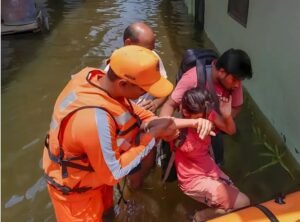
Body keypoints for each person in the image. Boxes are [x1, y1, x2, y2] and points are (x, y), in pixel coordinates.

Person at [42, 45, 214, 221]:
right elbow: (112, 174)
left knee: (108, 216)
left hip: (96, 178)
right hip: (76, 195)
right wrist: (151, 137)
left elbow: (139, 113)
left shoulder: (95, 78)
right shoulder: (95, 120)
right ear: (123, 84)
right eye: (143, 89)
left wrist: (175, 123)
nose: (147, 93)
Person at [160, 48, 253, 164]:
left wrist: (224, 119)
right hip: (187, 130)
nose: (238, 85)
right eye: (235, 79)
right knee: (176, 166)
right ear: (222, 72)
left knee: (216, 164)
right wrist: (164, 130)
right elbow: (170, 104)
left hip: (213, 131)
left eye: (240, 80)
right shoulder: (192, 78)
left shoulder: (233, 85)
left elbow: (236, 107)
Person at [174, 88, 250, 221]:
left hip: (210, 170)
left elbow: (231, 131)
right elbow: (155, 124)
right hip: (192, 180)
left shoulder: (208, 114)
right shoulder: (177, 131)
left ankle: (200, 215)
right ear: (185, 112)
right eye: (199, 118)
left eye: (205, 117)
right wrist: (193, 123)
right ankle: (199, 217)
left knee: (238, 201)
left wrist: (226, 116)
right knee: (243, 203)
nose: (203, 121)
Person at [121, 21, 169, 188]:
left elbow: (165, 89)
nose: (151, 54)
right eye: (147, 49)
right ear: (128, 44)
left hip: (148, 123)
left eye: (153, 48)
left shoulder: (153, 59)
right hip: (126, 132)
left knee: (150, 161)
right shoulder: (114, 73)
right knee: (133, 177)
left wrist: (156, 103)